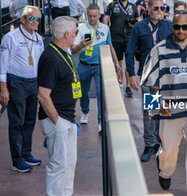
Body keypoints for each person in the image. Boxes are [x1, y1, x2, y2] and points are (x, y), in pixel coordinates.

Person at [141, 11, 187, 195]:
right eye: (177, 27)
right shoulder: (159, 49)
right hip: (169, 111)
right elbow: (149, 81)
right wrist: (155, 108)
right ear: (172, 26)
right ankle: (165, 172)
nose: (181, 30)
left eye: (184, 26)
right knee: (169, 151)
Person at [126, 0, 173, 162]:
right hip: (149, 76)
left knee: (166, 109)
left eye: (162, 8)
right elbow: (130, 51)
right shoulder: (139, 27)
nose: (159, 10)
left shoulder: (169, 26)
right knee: (150, 111)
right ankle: (150, 144)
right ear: (148, 8)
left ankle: (163, 141)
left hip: (167, 76)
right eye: (156, 8)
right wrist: (131, 74)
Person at [37, 16, 79, 196]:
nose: (76, 36)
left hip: (67, 117)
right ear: (68, 34)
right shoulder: (51, 57)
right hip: (57, 119)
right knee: (58, 166)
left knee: (69, 164)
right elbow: (43, 95)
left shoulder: (63, 52)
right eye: (75, 32)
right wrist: (58, 123)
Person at [0, 5, 44, 173]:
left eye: (38, 19)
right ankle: (16, 160)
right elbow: (2, 65)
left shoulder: (39, 38)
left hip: (33, 83)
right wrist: (3, 88)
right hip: (16, 83)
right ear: (23, 20)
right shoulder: (10, 38)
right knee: (17, 122)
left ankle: (26, 154)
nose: (35, 22)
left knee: (29, 121)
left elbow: (39, 63)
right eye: (32, 18)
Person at [71, 4, 120, 133]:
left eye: (94, 16)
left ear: (99, 15)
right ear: (86, 15)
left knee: (100, 94)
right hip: (84, 65)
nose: (92, 19)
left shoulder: (105, 29)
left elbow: (110, 46)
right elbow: (73, 49)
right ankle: (85, 111)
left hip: (100, 65)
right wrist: (81, 45)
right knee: (83, 91)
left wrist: (116, 63)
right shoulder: (81, 29)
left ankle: (100, 121)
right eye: (90, 16)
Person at [103, 0, 140, 98]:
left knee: (128, 62)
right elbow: (106, 17)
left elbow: (138, 19)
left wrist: (134, 23)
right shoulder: (112, 5)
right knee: (118, 63)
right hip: (116, 37)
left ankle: (128, 86)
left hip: (129, 37)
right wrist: (105, 29)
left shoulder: (133, 6)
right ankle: (120, 84)